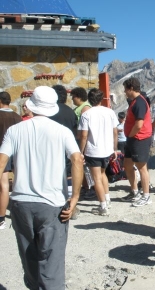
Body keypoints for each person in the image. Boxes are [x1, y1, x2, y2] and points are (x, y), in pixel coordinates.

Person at [0, 86, 83, 289]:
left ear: (31, 106)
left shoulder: (15, 130)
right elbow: (77, 160)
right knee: (51, 262)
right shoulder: (62, 132)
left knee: (29, 257)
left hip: (21, 203)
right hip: (52, 204)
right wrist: (75, 197)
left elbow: (1, 162)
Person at [78, 88, 118, 216]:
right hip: (107, 150)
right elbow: (115, 132)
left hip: (93, 150)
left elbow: (84, 135)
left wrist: (81, 152)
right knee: (103, 174)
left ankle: (102, 206)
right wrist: (115, 148)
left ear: (89, 99)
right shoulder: (110, 112)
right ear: (101, 99)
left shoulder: (86, 115)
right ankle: (107, 199)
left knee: (96, 179)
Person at [120, 77, 153, 207]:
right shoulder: (135, 102)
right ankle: (135, 192)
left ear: (131, 88)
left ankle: (146, 196)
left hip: (139, 139)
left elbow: (139, 124)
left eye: (125, 89)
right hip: (132, 138)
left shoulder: (139, 102)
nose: (124, 92)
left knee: (142, 168)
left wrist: (131, 135)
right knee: (127, 164)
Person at [50, 84, 79, 218]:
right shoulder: (70, 112)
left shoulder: (49, 111)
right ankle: (68, 207)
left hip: (51, 149)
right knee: (68, 176)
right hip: (68, 148)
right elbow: (75, 131)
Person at [0, 92, 22, 229]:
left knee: (3, 185)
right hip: (17, 152)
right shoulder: (17, 117)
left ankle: (1, 218)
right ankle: (17, 214)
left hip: (2, 153)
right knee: (18, 183)